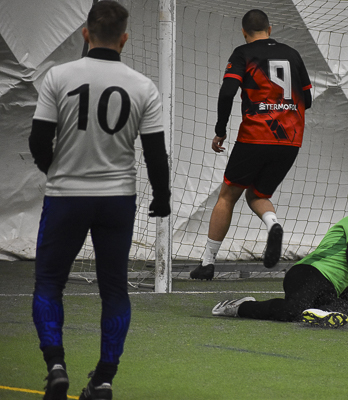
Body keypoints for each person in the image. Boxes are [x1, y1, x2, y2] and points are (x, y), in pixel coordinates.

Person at [29, 2, 170, 399]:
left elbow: (39, 140)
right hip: (116, 199)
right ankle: (104, 378)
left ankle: (56, 365)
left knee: (49, 283)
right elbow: (155, 154)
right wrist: (162, 197)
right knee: (114, 289)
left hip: (67, 197)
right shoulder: (143, 86)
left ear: (85, 34)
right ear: (124, 39)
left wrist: (57, 172)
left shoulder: (59, 76)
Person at [190, 9, 312, 280]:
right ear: (270, 28)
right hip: (290, 140)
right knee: (257, 194)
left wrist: (220, 130)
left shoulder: (243, 53)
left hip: (255, 136)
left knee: (227, 196)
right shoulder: (293, 54)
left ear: (244, 32)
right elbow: (308, 100)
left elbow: (227, 92)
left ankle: (207, 263)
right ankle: (273, 224)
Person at [211, 197, 348, 328]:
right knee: (292, 311)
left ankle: (312, 313)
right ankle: (240, 307)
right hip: (307, 273)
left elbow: (339, 284)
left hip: (324, 284)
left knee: (344, 310)